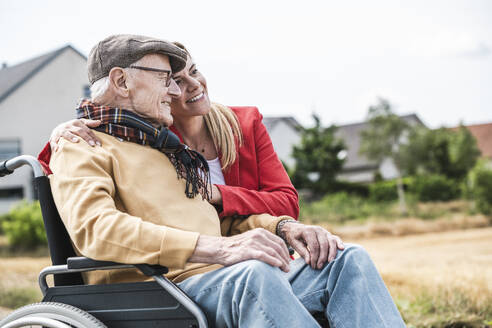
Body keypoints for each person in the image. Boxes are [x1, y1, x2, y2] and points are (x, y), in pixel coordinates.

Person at [49, 34, 406, 327]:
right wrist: (218, 248)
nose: (174, 91)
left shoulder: (161, 144)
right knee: (253, 275)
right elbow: (96, 229)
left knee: (345, 260)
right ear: (121, 81)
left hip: (217, 279)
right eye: (164, 77)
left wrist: (281, 227)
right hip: (156, 289)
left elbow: (213, 217)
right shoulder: (81, 144)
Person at [39, 42, 298, 219]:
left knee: (338, 258)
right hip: (208, 264)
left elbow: (288, 204)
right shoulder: (153, 138)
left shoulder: (244, 123)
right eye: (175, 81)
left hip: (259, 249)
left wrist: (218, 194)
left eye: (195, 71)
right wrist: (59, 134)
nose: (195, 85)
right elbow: (62, 164)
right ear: (162, 90)